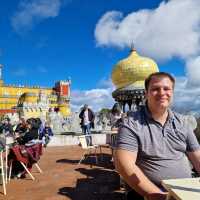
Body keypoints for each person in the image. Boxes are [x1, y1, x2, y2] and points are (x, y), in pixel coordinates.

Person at [114, 72, 200, 200]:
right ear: (146, 93)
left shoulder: (182, 122)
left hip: (183, 191)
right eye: (155, 89)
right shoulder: (131, 123)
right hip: (147, 193)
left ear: (172, 92)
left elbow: (197, 156)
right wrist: (159, 196)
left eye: (166, 89)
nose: (162, 93)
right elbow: (124, 164)